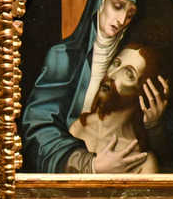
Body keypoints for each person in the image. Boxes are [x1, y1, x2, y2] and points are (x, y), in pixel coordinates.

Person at [21, 0, 169, 173]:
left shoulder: (129, 57)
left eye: (130, 14)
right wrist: (89, 165)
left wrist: (154, 127)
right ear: (99, 1)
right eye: (117, 6)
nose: (121, 20)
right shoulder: (63, 57)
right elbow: (37, 127)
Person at [67, 43, 165, 173]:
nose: (112, 74)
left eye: (129, 74)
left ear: (144, 93)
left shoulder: (142, 161)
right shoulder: (79, 127)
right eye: (116, 64)